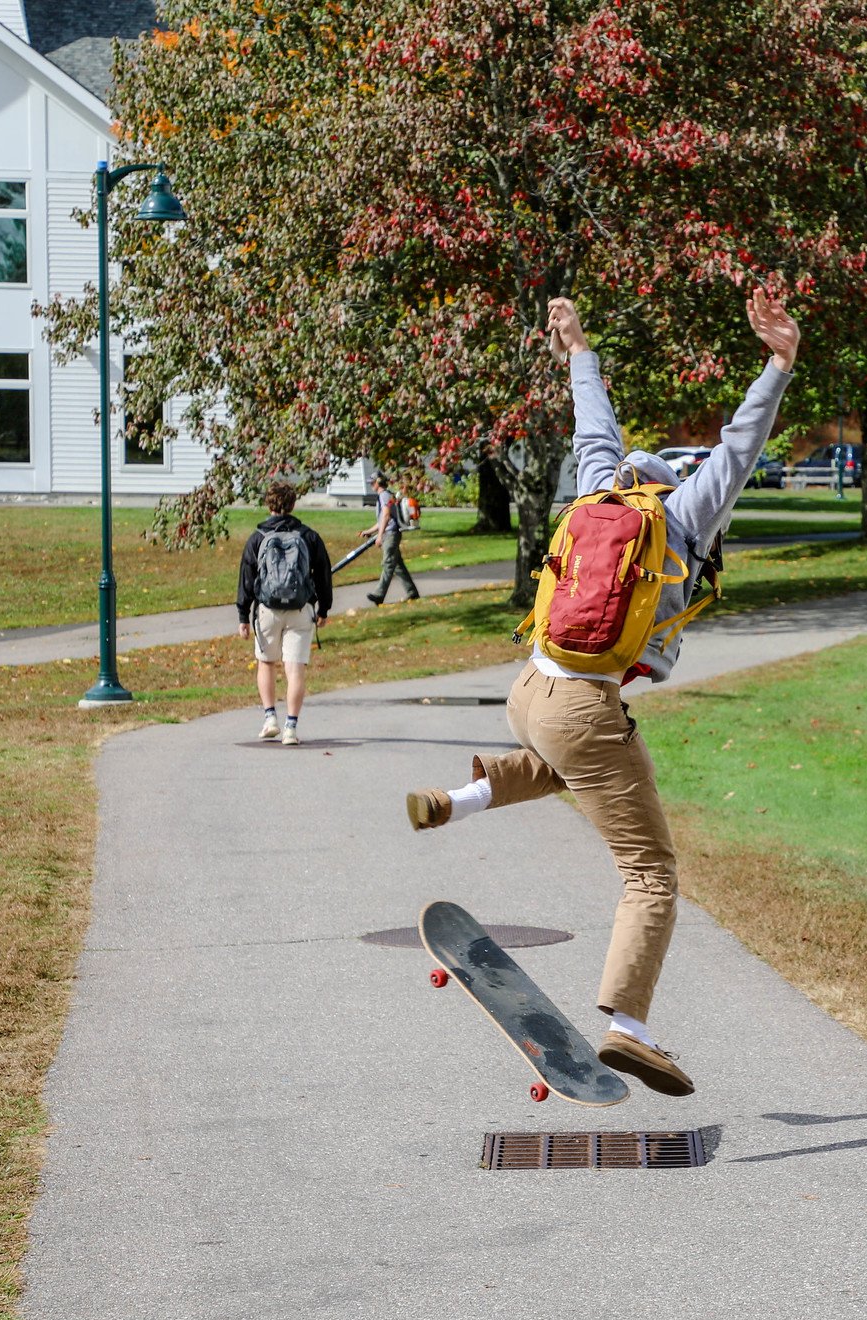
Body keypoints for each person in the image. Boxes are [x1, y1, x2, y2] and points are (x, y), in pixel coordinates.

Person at [404, 287, 800, 1098]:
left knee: (577, 765)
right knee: (651, 871)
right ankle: (630, 1025)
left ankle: (457, 799)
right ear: (673, 486)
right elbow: (741, 443)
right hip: (583, 705)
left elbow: (594, 422)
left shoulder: (595, 490)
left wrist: (578, 344)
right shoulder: (684, 517)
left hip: (528, 689)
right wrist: (778, 363)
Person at [236, 481, 333, 746]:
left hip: (267, 610)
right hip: (301, 609)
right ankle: (291, 727)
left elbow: (247, 576)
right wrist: (324, 607)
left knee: (266, 663)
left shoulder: (257, 537)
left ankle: (270, 719)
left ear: (269, 505)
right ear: (292, 505)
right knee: (295, 668)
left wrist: (243, 615)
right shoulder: (308, 536)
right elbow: (323, 574)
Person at [360, 474, 419, 605]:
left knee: (388, 564)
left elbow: (386, 516)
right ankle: (412, 592)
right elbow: (383, 519)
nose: (371, 485)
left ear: (378, 482)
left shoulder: (384, 496)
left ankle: (379, 594)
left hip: (390, 534)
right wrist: (369, 532)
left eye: (372, 482)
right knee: (397, 566)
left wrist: (380, 536)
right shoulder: (385, 496)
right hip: (390, 533)